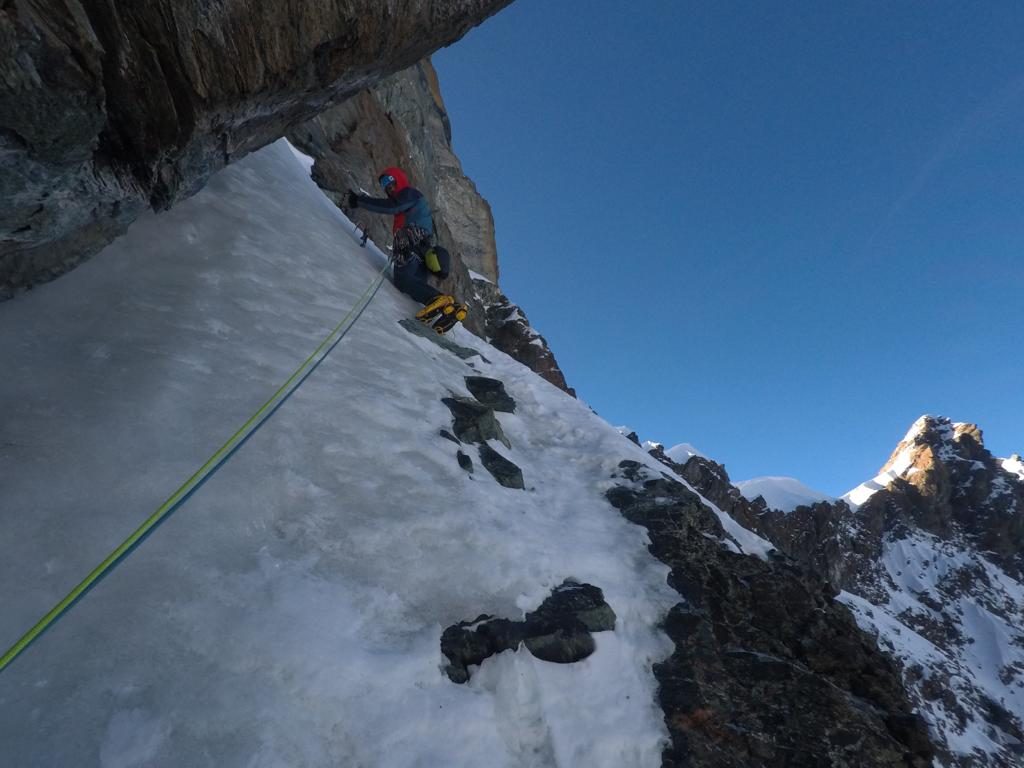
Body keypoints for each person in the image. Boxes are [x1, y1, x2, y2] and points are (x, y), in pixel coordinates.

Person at [346, 168, 466, 330]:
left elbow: (390, 207)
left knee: (403, 280)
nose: (388, 188)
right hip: (421, 250)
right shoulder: (413, 201)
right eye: (384, 185)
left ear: (399, 179)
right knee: (413, 284)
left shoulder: (409, 194)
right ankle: (449, 309)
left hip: (409, 244)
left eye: (390, 182)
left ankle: (439, 300)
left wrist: (359, 201)